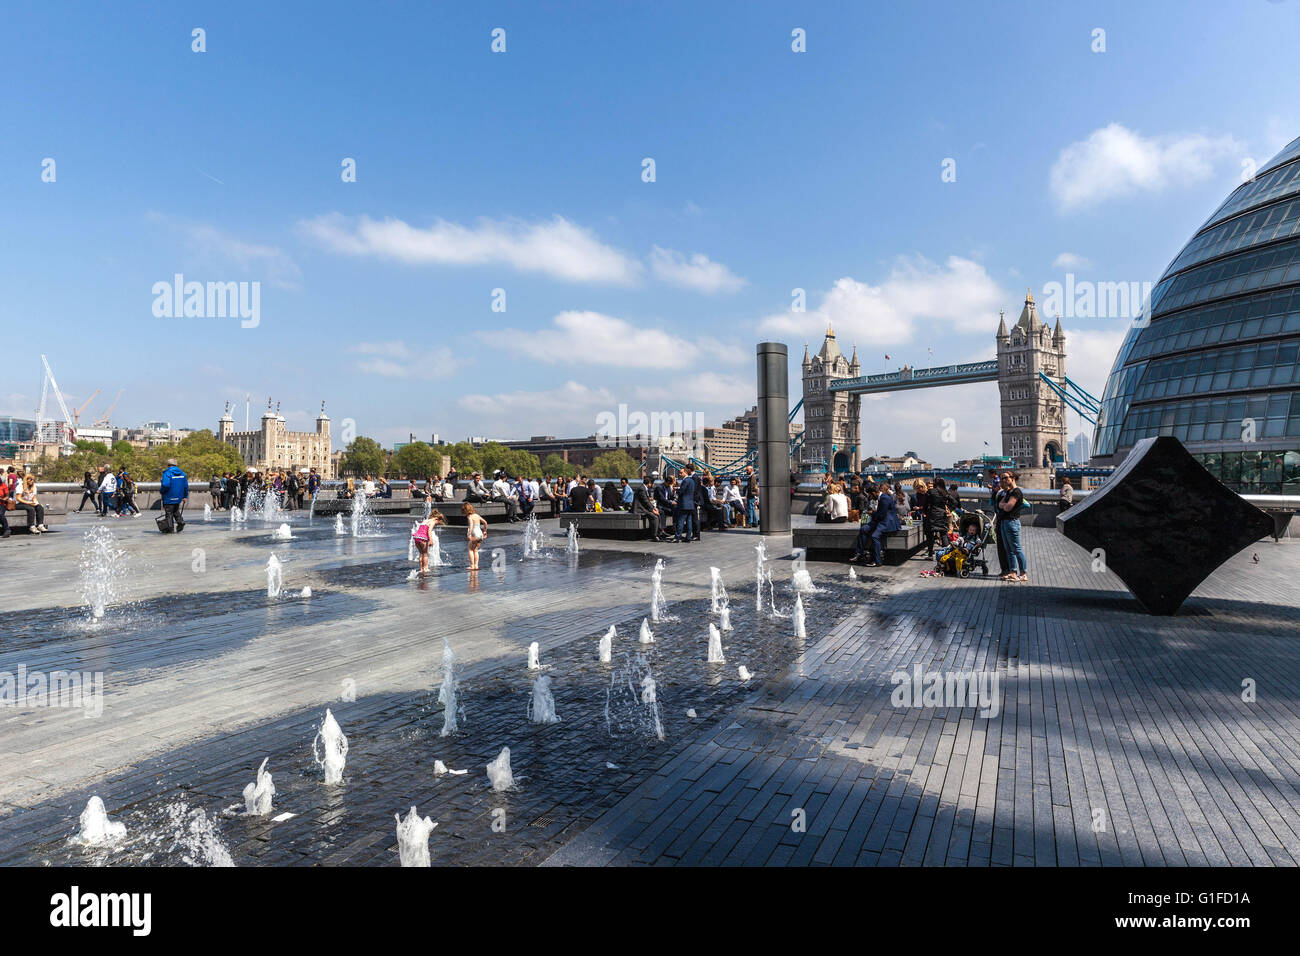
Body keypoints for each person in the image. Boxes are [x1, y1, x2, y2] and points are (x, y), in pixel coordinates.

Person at [851, 483, 901, 566]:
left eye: (870, 495)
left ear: (874, 493)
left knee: (874, 536)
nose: (870, 497)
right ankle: (859, 553)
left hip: (887, 522)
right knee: (864, 529)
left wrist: (872, 513)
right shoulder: (882, 498)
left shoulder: (884, 498)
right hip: (881, 520)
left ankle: (877, 561)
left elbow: (881, 515)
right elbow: (880, 514)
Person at [998, 472, 1028, 582]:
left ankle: (1023, 573)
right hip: (1004, 522)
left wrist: (1004, 505)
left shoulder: (1016, 492)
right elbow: (1000, 504)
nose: (1003, 480)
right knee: (1009, 550)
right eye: (1002, 478)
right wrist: (1003, 505)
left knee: (1016, 549)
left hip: (1012, 523)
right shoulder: (1008, 492)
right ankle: (1013, 572)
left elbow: (1007, 508)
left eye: (1005, 478)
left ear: (1013, 478)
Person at [411, 509, 447, 576]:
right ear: (436, 519)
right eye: (437, 523)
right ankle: (425, 568)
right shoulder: (432, 522)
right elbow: (429, 531)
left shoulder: (425, 520)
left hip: (416, 538)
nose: (436, 525)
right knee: (425, 554)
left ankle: (421, 568)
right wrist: (431, 540)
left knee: (421, 553)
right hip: (423, 538)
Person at [631, 476, 667, 540]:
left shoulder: (644, 488)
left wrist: (654, 508)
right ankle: (654, 536)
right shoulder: (642, 489)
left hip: (643, 508)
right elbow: (645, 501)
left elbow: (647, 501)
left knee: (659, 513)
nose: (653, 485)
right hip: (639, 509)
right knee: (655, 517)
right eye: (653, 483)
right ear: (649, 483)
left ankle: (660, 532)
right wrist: (652, 510)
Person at [159, 458, 189, 533]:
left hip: (169, 497)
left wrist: (162, 491)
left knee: (169, 514)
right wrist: (185, 496)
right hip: (178, 497)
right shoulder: (182, 473)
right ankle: (180, 522)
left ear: (168, 465)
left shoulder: (167, 473)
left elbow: (165, 485)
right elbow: (186, 486)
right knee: (175, 511)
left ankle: (170, 530)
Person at [674, 465, 698, 542]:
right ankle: (688, 537)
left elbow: (681, 491)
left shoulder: (685, 481)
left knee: (680, 521)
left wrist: (676, 490)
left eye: (681, 473)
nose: (679, 474)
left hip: (684, 504)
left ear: (685, 472)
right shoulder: (691, 481)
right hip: (690, 504)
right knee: (689, 522)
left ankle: (678, 537)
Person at [463, 503, 486, 571]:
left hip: (474, 533)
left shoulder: (470, 516)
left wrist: (469, 534)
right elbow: (485, 522)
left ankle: (472, 566)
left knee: (470, 549)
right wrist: (485, 531)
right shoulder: (477, 515)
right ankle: (476, 565)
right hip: (480, 534)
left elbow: (471, 525)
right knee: (475, 550)